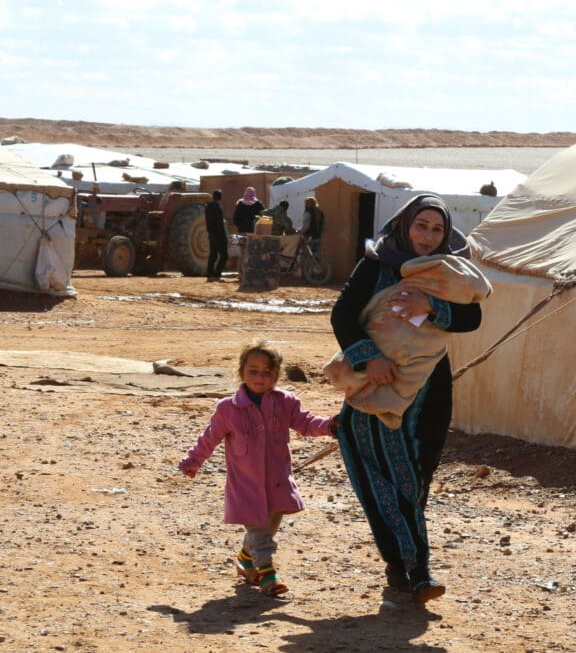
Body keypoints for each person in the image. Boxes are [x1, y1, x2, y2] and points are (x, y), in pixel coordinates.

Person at [330, 194, 482, 606]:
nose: (429, 236)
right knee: (378, 472)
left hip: (430, 389)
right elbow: (342, 315)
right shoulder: (377, 264)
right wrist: (369, 358)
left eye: (437, 229)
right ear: (405, 225)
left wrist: (429, 305)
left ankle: (403, 564)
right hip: (377, 384)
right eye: (422, 226)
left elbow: (472, 317)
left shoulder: (451, 268)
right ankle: (416, 570)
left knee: (416, 478)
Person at [178, 339, 337, 596]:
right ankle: (268, 575)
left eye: (267, 372)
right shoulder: (228, 408)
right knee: (260, 527)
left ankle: (245, 558)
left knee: (271, 521)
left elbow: (305, 423)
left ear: (277, 374)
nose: (260, 377)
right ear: (241, 372)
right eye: (253, 371)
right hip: (246, 482)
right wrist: (193, 461)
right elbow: (210, 437)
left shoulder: (285, 401)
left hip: (277, 478)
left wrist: (330, 426)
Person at [205, 190, 228, 281]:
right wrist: (224, 237)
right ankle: (216, 275)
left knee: (213, 255)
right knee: (224, 256)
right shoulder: (218, 208)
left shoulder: (207, 207)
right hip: (218, 235)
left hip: (211, 234)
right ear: (220, 198)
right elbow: (220, 224)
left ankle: (209, 275)